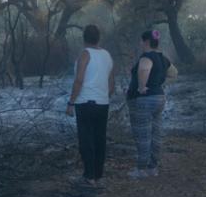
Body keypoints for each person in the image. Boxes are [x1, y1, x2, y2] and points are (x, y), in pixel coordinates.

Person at [66, 24, 115, 187]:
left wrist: (71, 102)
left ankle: (89, 176)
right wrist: (103, 96)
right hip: (103, 103)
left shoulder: (85, 55)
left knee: (86, 140)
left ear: (84, 38)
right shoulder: (107, 56)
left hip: (86, 102)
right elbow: (111, 84)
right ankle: (98, 175)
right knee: (100, 139)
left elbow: (79, 80)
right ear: (98, 37)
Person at [126, 29, 175, 179]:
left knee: (142, 134)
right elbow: (174, 73)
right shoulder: (163, 58)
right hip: (158, 98)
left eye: (141, 41)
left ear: (146, 42)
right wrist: (159, 84)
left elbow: (144, 69)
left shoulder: (146, 57)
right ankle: (153, 167)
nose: (140, 43)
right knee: (155, 133)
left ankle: (141, 170)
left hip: (144, 100)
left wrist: (142, 86)